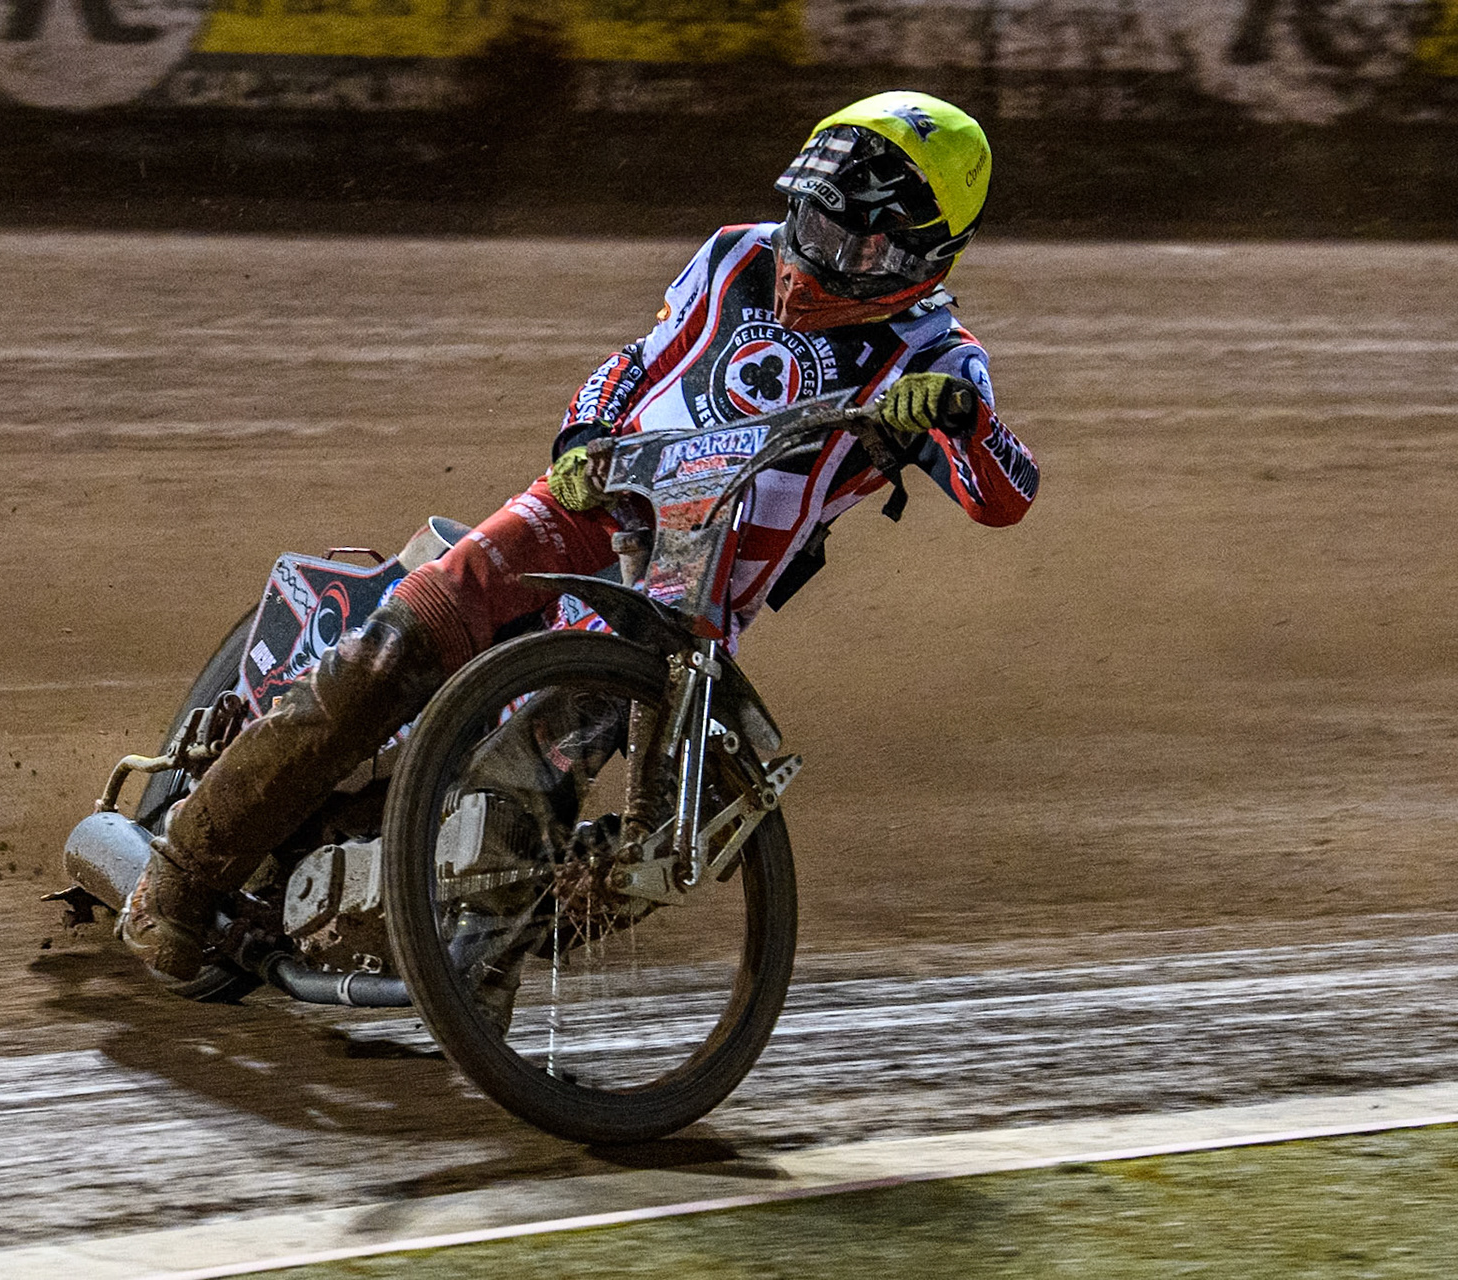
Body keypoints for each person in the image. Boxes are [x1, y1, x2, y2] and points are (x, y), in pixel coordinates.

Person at [120, 90, 1040, 985]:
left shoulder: (936, 357)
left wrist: (959, 420)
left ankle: (469, 971)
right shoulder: (733, 257)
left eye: (850, 238)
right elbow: (637, 364)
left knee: (533, 795)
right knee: (388, 649)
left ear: (923, 253)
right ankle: (178, 879)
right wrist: (583, 436)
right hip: (583, 508)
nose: (815, 250)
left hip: (676, 604)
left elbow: (1007, 495)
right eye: (811, 216)